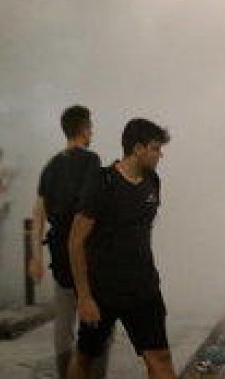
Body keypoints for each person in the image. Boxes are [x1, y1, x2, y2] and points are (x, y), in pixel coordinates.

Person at [67, 119, 176, 379]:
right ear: (137, 148)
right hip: (102, 290)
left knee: (159, 356)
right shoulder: (102, 184)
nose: (160, 154)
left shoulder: (153, 181)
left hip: (143, 288)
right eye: (155, 148)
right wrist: (84, 297)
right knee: (85, 356)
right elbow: (75, 241)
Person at [31, 106, 114, 378]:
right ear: (84, 129)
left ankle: (63, 373)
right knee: (96, 320)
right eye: (91, 127)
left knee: (63, 325)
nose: (93, 132)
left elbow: (38, 213)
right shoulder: (91, 161)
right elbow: (94, 205)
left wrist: (36, 257)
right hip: (88, 254)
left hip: (59, 254)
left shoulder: (51, 166)